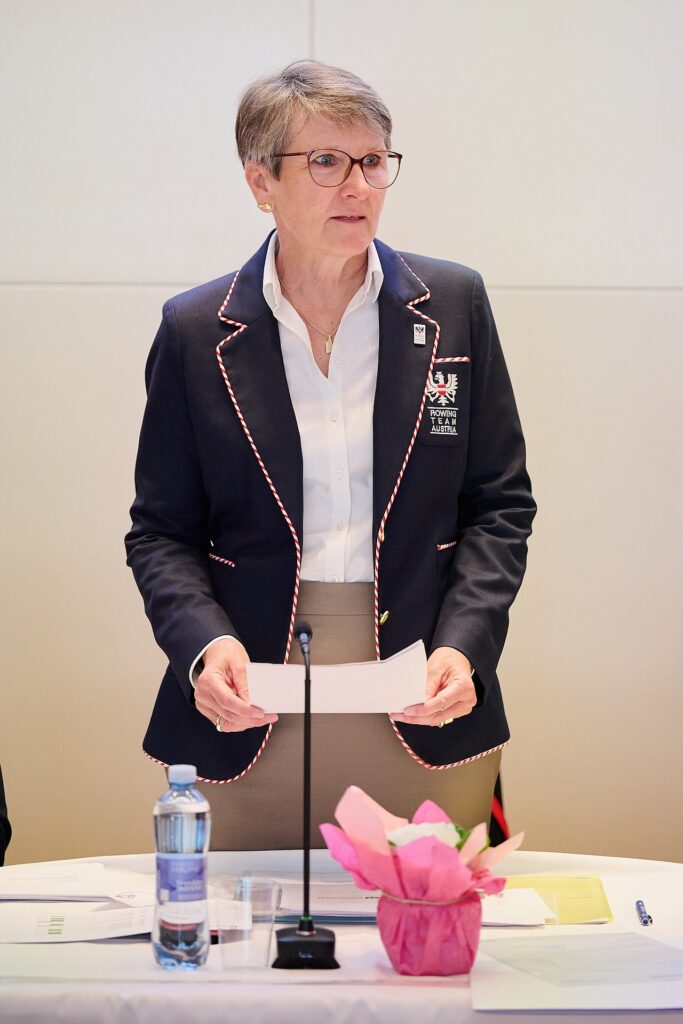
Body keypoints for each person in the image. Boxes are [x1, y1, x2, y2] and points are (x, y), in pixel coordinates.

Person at [125, 60, 536, 850]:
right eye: (325, 162)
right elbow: (161, 531)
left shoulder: (451, 304)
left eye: (373, 161)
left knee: (427, 946)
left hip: (422, 681)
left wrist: (465, 643)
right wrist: (205, 649)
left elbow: (498, 503)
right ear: (259, 181)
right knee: (240, 945)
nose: (357, 186)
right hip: (251, 693)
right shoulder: (196, 329)